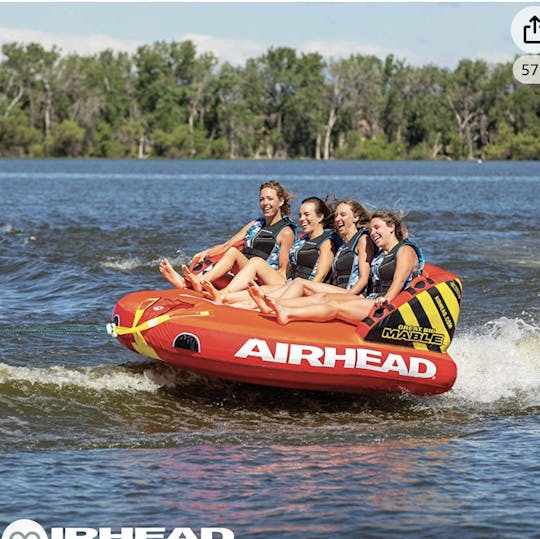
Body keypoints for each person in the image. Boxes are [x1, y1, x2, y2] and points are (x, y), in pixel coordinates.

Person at [253, 209, 425, 325]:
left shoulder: (405, 250)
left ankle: (288, 314)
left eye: (377, 228)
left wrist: (387, 299)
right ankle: (277, 305)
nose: (373, 233)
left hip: (389, 307)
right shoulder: (382, 255)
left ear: (392, 227)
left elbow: (399, 280)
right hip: (371, 300)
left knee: (335, 305)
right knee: (324, 298)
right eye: (371, 229)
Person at [159, 180, 296, 289]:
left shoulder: (286, 232)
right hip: (245, 273)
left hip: (262, 277)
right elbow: (227, 244)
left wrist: (270, 290)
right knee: (216, 273)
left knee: (233, 253)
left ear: (281, 201)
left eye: (270, 199)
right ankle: (186, 284)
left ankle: (199, 283)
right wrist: (205, 252)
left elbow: (283, 270)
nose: (265, 203)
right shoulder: (255, 224)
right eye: (262, 199)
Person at [200, 196, 339, 303]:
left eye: (306, 215)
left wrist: (297, 293)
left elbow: (319, 277)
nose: (302, 219)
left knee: (260, 278)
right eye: (300, 215)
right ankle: (223, 295)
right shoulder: (303, 240)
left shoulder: (327, 243)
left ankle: (222, 296)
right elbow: (287, 270)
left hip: (303, 289)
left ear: (320, 217)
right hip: (288, 282)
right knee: (258, 273)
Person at [255, 199, 374, 310]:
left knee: (300, 283)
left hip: (351, 295)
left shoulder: (362, 240)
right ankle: (264, 305)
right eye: (336, 215)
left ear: (356, 217)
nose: (337, 219)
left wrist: (347, 297)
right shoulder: (343, 245)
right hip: (338, 290)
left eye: (343, 215)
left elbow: (363, 279)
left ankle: (274, 306)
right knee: (272, 288)